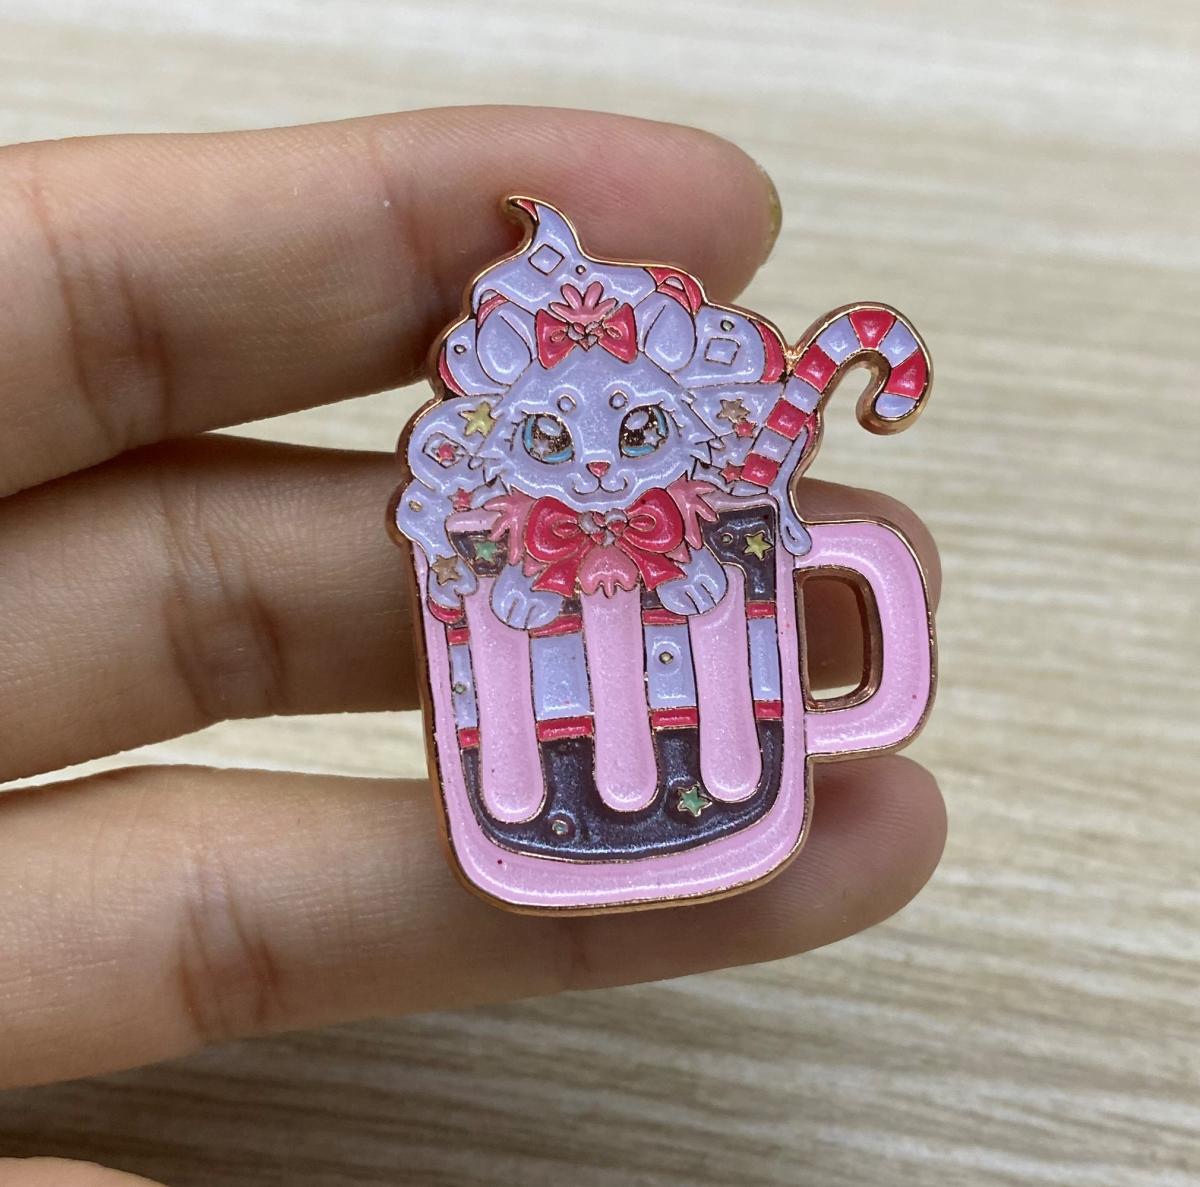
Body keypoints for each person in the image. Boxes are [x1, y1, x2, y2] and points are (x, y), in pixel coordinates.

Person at [0, 106, 945, 1186]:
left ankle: (716, 790)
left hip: (736, 770)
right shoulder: (476, 534)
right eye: (551, 433)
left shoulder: (723, 510)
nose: (598, 465)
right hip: (519, 789)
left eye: (638, 428)